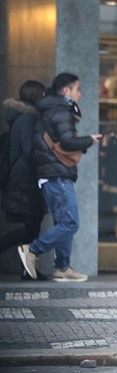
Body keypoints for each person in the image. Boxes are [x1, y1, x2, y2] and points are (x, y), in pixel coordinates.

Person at [17, 73, 102, 282]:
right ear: (66, 91)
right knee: (71, 222)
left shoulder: (51, 109)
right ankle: (32, 250)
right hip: (56, 175)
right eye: (77, 89)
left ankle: (62, 266)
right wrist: (89, 140)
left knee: (64, 221)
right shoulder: (60, 110)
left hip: (52, 174)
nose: (80, 95)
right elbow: (68, 142)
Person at [1, 80, 48, 279]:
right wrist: (48, 159)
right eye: (43, 94)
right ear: (37, 96)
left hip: (19, 178)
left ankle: (28, 270)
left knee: (32, 226)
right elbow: (29, 151)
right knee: (32, 227)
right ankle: (28, 269)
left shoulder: (19, 117)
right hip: (25, 180)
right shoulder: (27, 119)